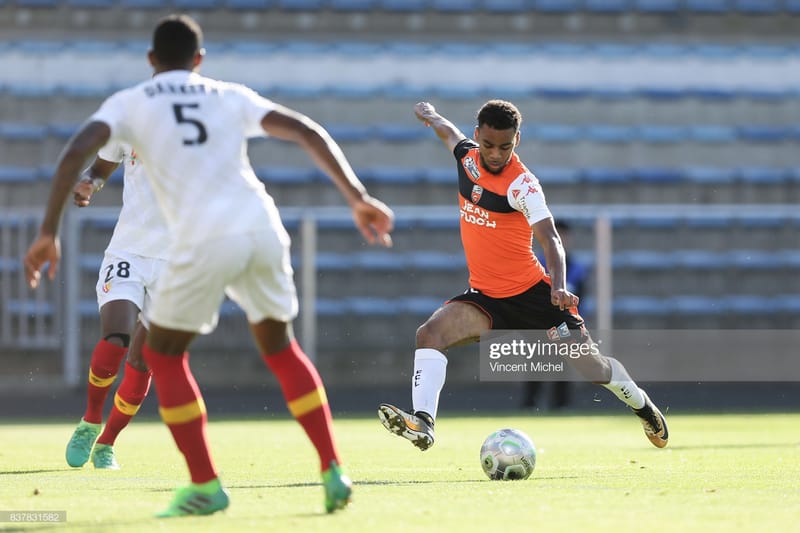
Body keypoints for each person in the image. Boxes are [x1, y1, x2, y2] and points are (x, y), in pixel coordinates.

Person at [24, 14, 394, 517]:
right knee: (282, 348)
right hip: (260, 227)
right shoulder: (228, 95)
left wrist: (47, 231)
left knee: (164, 356)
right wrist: (358, 197)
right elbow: (306, 130)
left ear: (152, 60)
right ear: (199, 60)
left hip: (198, 238)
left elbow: (75, 151)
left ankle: (205, 485)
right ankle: (332, 470)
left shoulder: (131, 103)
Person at [377, 100, 668, 451]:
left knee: (593, 369)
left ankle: (641, 404)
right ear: (477, 137)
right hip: (486, 298)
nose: (496, 154)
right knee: (429, 334)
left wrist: (559, 286)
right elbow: (449, 134)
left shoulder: (523, 185)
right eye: (488, 145)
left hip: (536, 299)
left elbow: (552, 239)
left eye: (506, 146)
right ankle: (423, 423)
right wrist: (432, 116)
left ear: (517, 140)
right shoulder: (467, 158)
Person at [65, 143, 166, 471]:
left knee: (142, 360)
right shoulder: (131, 120)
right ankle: (90, 421)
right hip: (129, 252)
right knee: (116, 338)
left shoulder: (200, 132)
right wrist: (88, 183)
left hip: (176, 262)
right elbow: (99, 168)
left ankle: (107, 443)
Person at [520, 219, 588, 410]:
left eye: (564, 235)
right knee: (537, 362)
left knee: (563, 362)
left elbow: (580, 299)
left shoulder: (577, 269)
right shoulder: (536, 264)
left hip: (564, 324)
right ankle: (529, 404)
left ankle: (561, 405)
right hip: (539, 323)